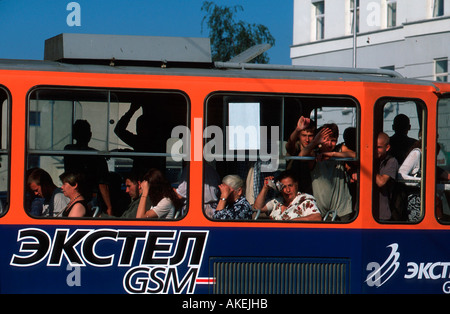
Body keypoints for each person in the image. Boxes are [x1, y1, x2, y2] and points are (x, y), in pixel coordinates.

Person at [300, 123, 353, 221]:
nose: (329, 144)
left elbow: (354, 155)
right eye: (326, 140)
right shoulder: (314, 154)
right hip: (321, 211)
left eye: (333, 140)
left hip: (343, 209)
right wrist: (314, 142)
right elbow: (301, 157)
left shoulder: (339, 150)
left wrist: (333, 154)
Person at [64, 120, 113, 215]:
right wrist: (109, 207)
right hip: (91, 197)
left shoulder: (68, 150)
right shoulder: (96, 157)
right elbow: (102, 184)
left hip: (71, 195)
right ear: (89, 135)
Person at [253, 171, 322, 221]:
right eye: (283, 187)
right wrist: (265, 188)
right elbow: (257, 207)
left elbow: (317, 217)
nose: (287, 190)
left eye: (290, 186)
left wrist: (293, 222)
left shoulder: (305, 200)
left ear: (296, 185)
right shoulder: (277, 201)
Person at [285, 116, 316, 194]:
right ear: (298, 135)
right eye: (304, 135)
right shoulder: (296, 147)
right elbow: (289, 145)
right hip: (292, 192)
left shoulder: (315, 149)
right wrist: (297, 129)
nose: (307, 139)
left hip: (310, 191)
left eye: (310, 136)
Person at [375, 132, 399, 221]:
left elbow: (381, 182)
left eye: (379, 147)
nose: (375, 150)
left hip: (382, 213)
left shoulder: (391, 161)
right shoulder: (374, 160)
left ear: (387, 147)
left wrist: (368, 165)